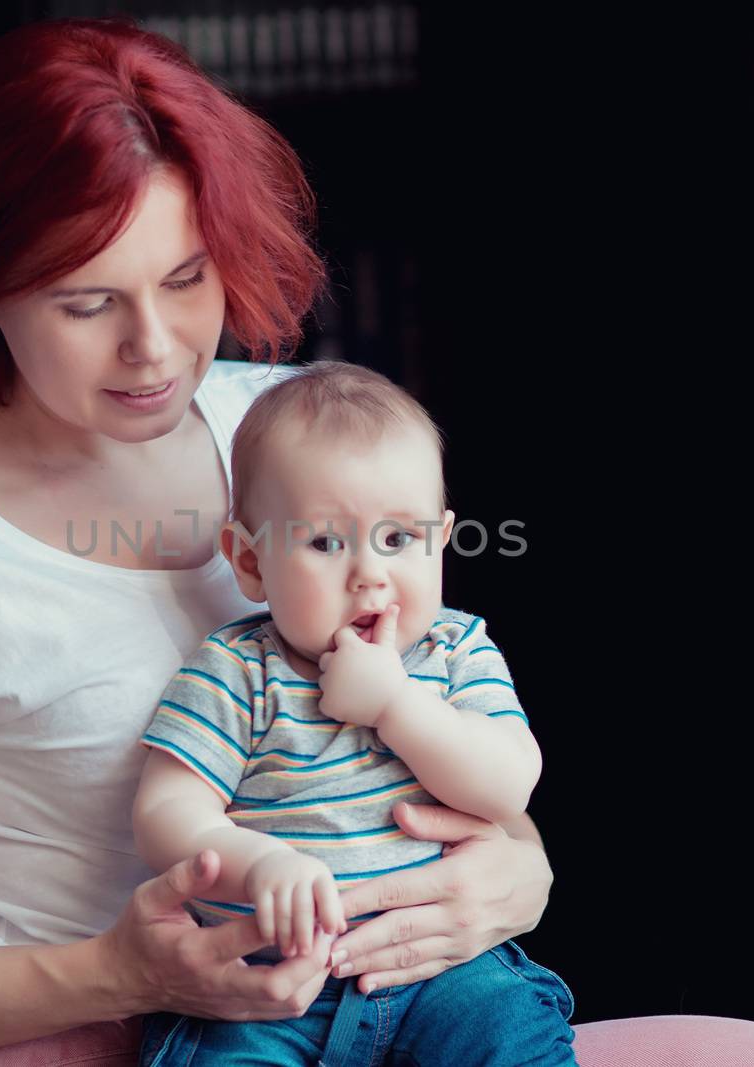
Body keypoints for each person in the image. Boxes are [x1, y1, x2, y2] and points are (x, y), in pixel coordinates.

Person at [0, 16, 754, 1067]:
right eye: (83, 300)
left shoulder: (290, 433)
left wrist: (518, 874)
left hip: (400, 1011)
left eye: (186, 277)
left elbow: (448, 723)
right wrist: (113, 970)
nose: (153, 347)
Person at [131, 361, 575, 1065]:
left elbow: (508, 783)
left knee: (510, 1031)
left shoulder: (455, 650)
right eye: (326, 542)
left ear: (440, 538)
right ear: (249, 562)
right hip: (269, 989)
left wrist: (397, 703)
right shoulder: (239, 668)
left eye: (399, 539)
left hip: (442, 977)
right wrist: (256, 863)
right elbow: (164, 812)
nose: (370, 572)